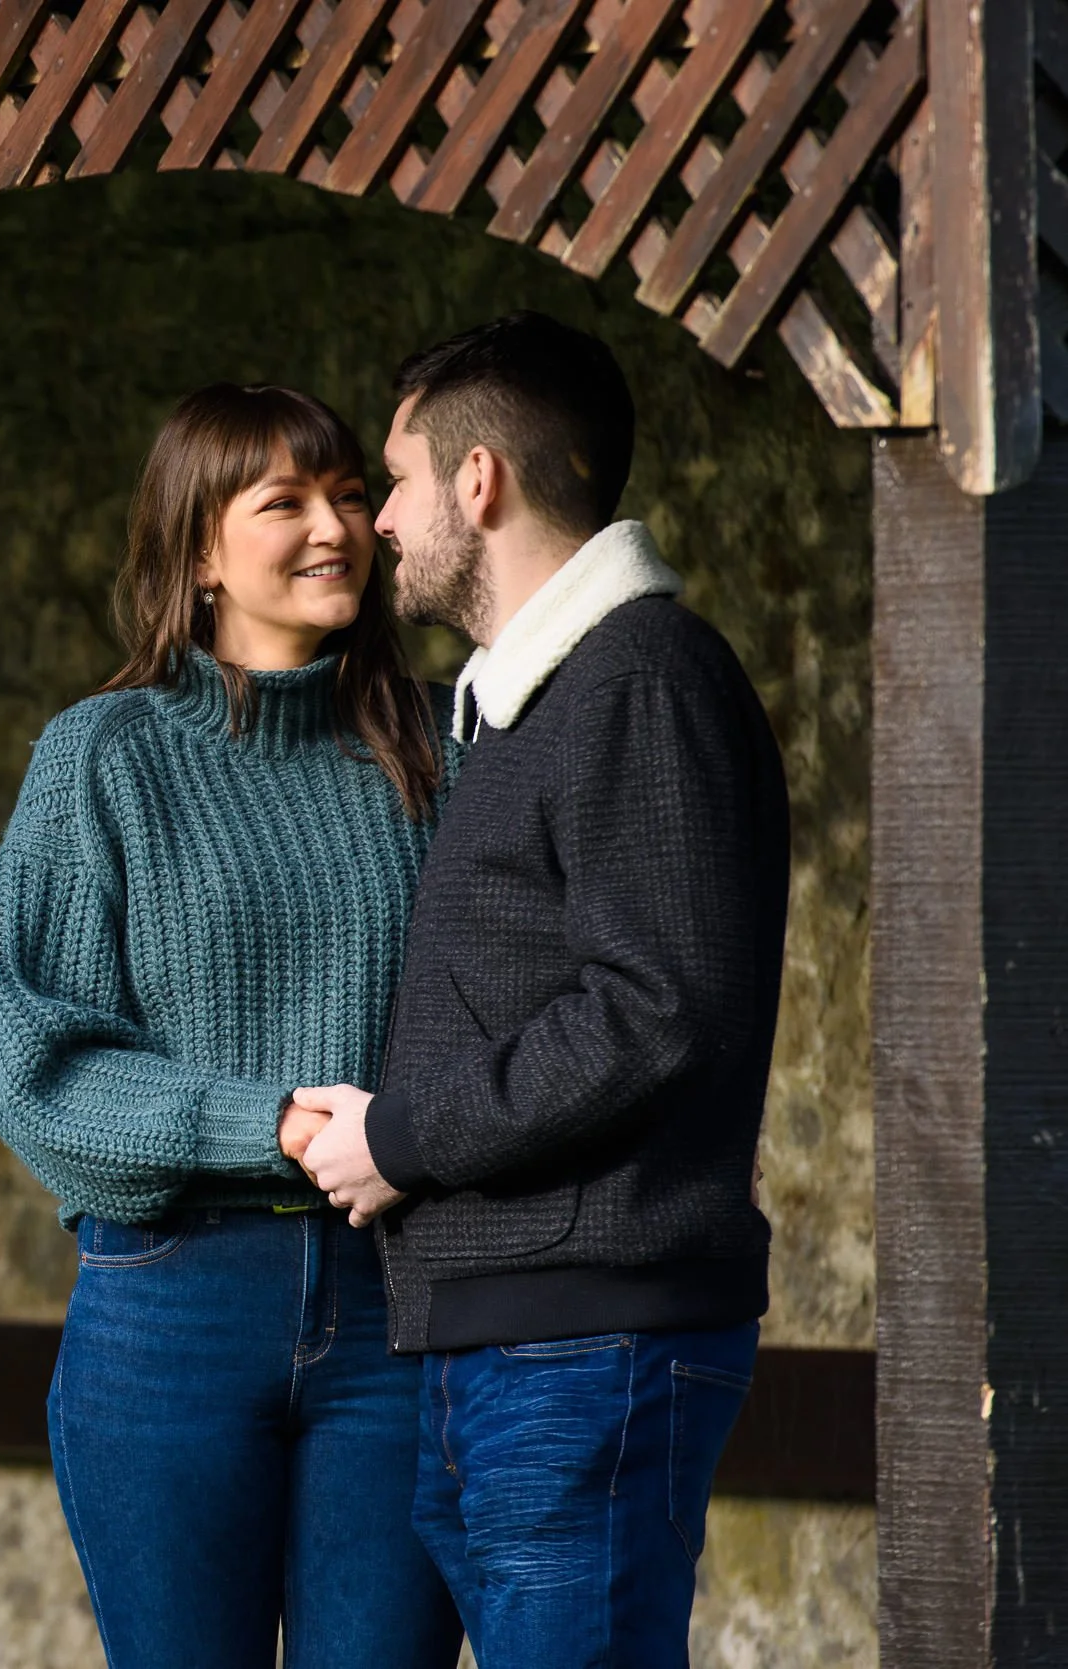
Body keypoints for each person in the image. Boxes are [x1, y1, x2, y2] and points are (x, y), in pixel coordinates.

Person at [292, 312, 790, 1668]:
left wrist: (399, 1136)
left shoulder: (640, 680)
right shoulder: (531, 698)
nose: (379, 519)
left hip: (585, 1347)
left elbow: (655, 1008)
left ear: (476, 483)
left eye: (395, 480)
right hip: (518, 1346)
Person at [0, 384, 463, 1669]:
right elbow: (33, 1066)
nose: (332, 527)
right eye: (283, 501)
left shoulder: (442, 746)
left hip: (399, 1304)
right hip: (171, 1306)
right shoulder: (102, 757)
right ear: (198, 550)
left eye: (351, 494)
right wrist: (269, 1120)